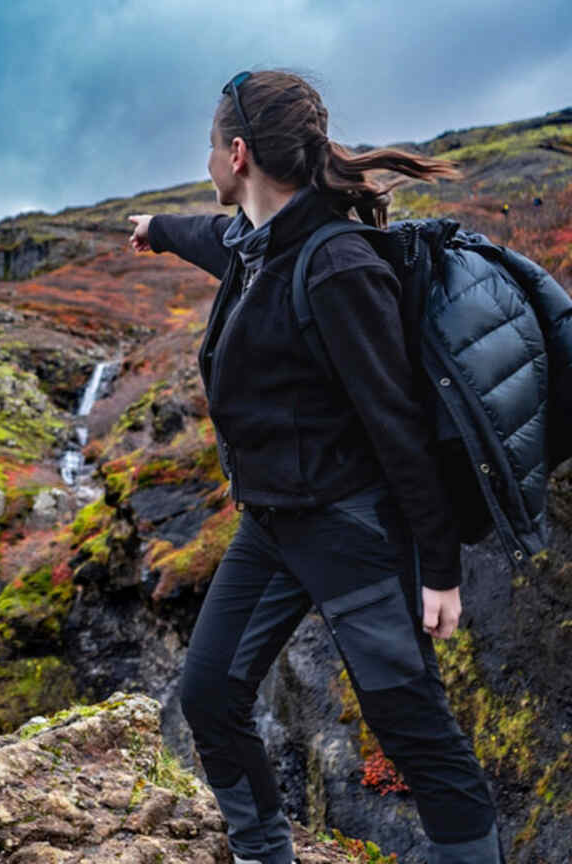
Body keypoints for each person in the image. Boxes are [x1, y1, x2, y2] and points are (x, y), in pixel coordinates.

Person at [126, 69, 501, 864]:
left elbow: (398, 427)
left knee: (411, 727)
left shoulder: (338, 268)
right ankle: (265, 854)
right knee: (210, 694)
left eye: (208, 151)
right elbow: (214, 241)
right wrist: (157, 226)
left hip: (354, 532)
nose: (205, 168)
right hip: (274, 525)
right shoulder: (254, 243)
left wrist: (439, 570)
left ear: (237, 153)